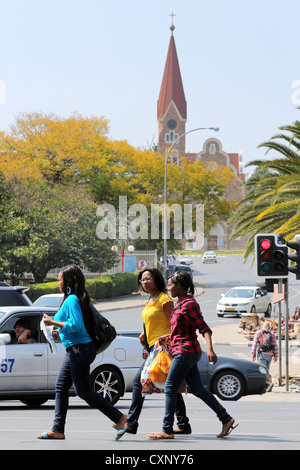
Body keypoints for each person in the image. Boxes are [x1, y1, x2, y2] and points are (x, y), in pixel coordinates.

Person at [37, 265, 135, 440]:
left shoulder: (72, 300)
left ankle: (120, 418)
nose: (58, 283)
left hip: (79, 350)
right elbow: (73, 329)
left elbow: (76, 326)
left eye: (59, 280)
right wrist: (58, 331)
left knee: (83, 391)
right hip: (77, 349)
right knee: (61, 387)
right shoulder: (75, 299)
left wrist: (52, 322)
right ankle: (57, 429)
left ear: (68, 282)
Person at [148, 270, 238, 440]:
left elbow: (204, 328)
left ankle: (167, 429)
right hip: (183, 350)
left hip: (186, 352)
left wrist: (210, 349)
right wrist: (168, 337)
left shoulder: (189, 304)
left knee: (169, 388)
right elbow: (182, 330)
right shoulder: (180, 304)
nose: (168, 289)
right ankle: (226, 419)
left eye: (171, 285)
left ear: (179, 286)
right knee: (197, 389)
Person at [123, 267, 191, 435]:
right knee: (172, 385)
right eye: (142, 280)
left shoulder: (164, 299)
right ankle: (183, 423)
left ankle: (131, 422)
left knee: (139, 381)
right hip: (154, 346)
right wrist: (144, 334)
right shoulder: (151, 300)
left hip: (164, 347)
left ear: (157, 280)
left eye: (148, 279)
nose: (144, 282)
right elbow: (152, 321)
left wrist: (168, 340)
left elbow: (175, 322)